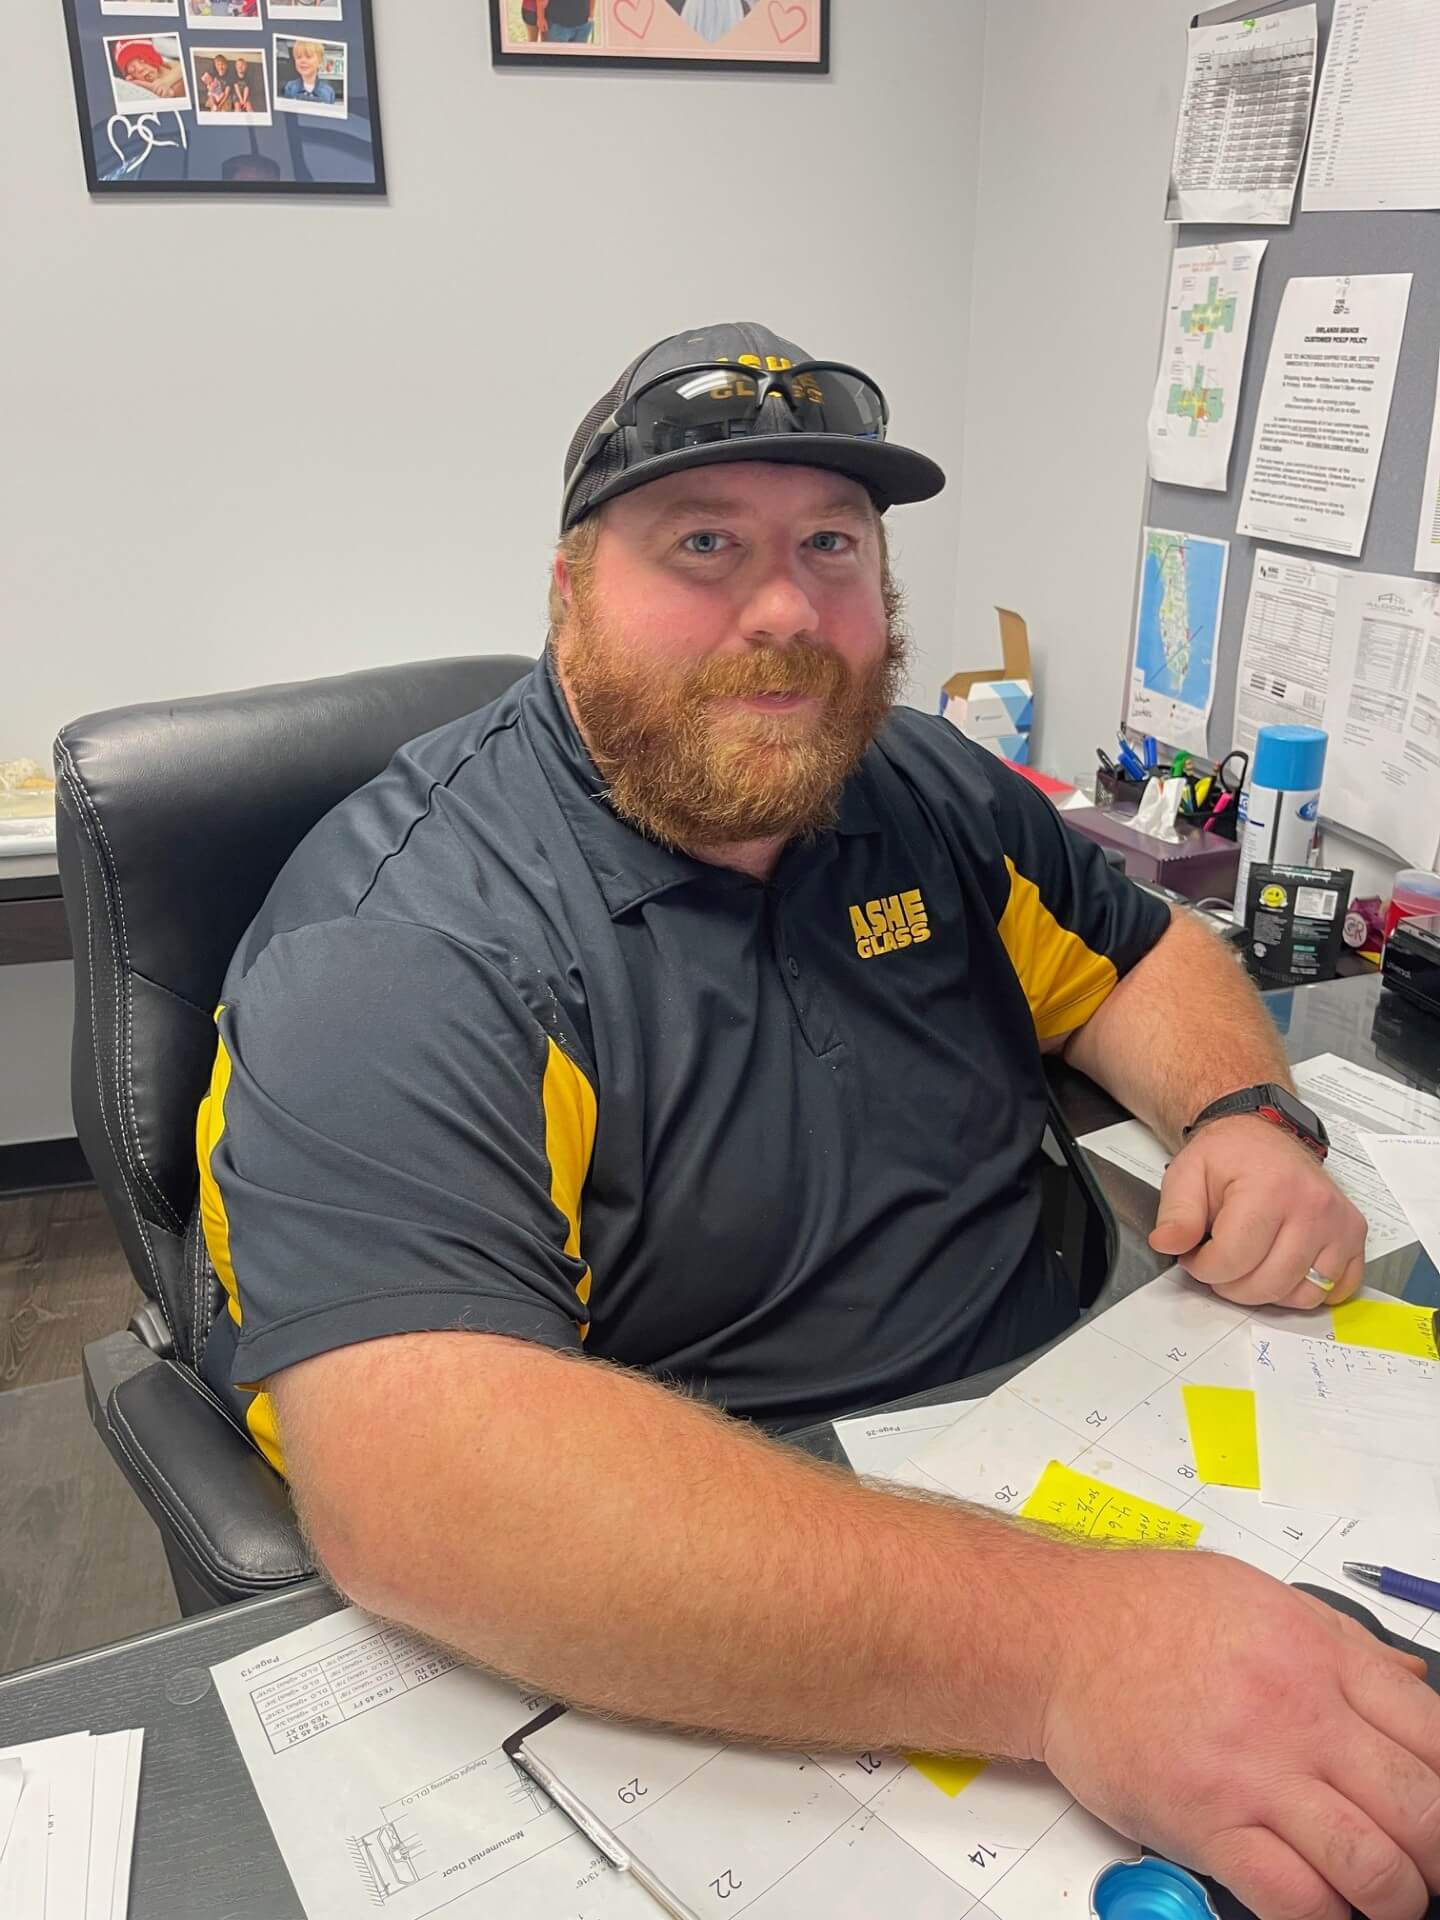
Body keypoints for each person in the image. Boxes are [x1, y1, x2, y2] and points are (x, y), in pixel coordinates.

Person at [197, 321, 1439, 1920]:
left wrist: (1248, 1112)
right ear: (570, 588)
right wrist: (1076, 1646)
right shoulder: (408, 940)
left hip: (1112, 1450)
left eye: (830, 546)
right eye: (703, 543)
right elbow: (421, 1483)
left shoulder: (915, 790)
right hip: (749, 1604)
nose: (783, 611)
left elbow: (1147, 953)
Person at [111, 38, 186, 99]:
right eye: (133, 70)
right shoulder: (145, 88)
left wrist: (166, 81)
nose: (140, 69)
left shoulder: (171, 65)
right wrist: (143, 84)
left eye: (142, 61)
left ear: (154, 58)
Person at [281, 39, 336, 104]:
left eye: (308, 57)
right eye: (298, 57)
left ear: (320, 61)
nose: (303, 61)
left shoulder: (328, 92)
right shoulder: (290, 87)